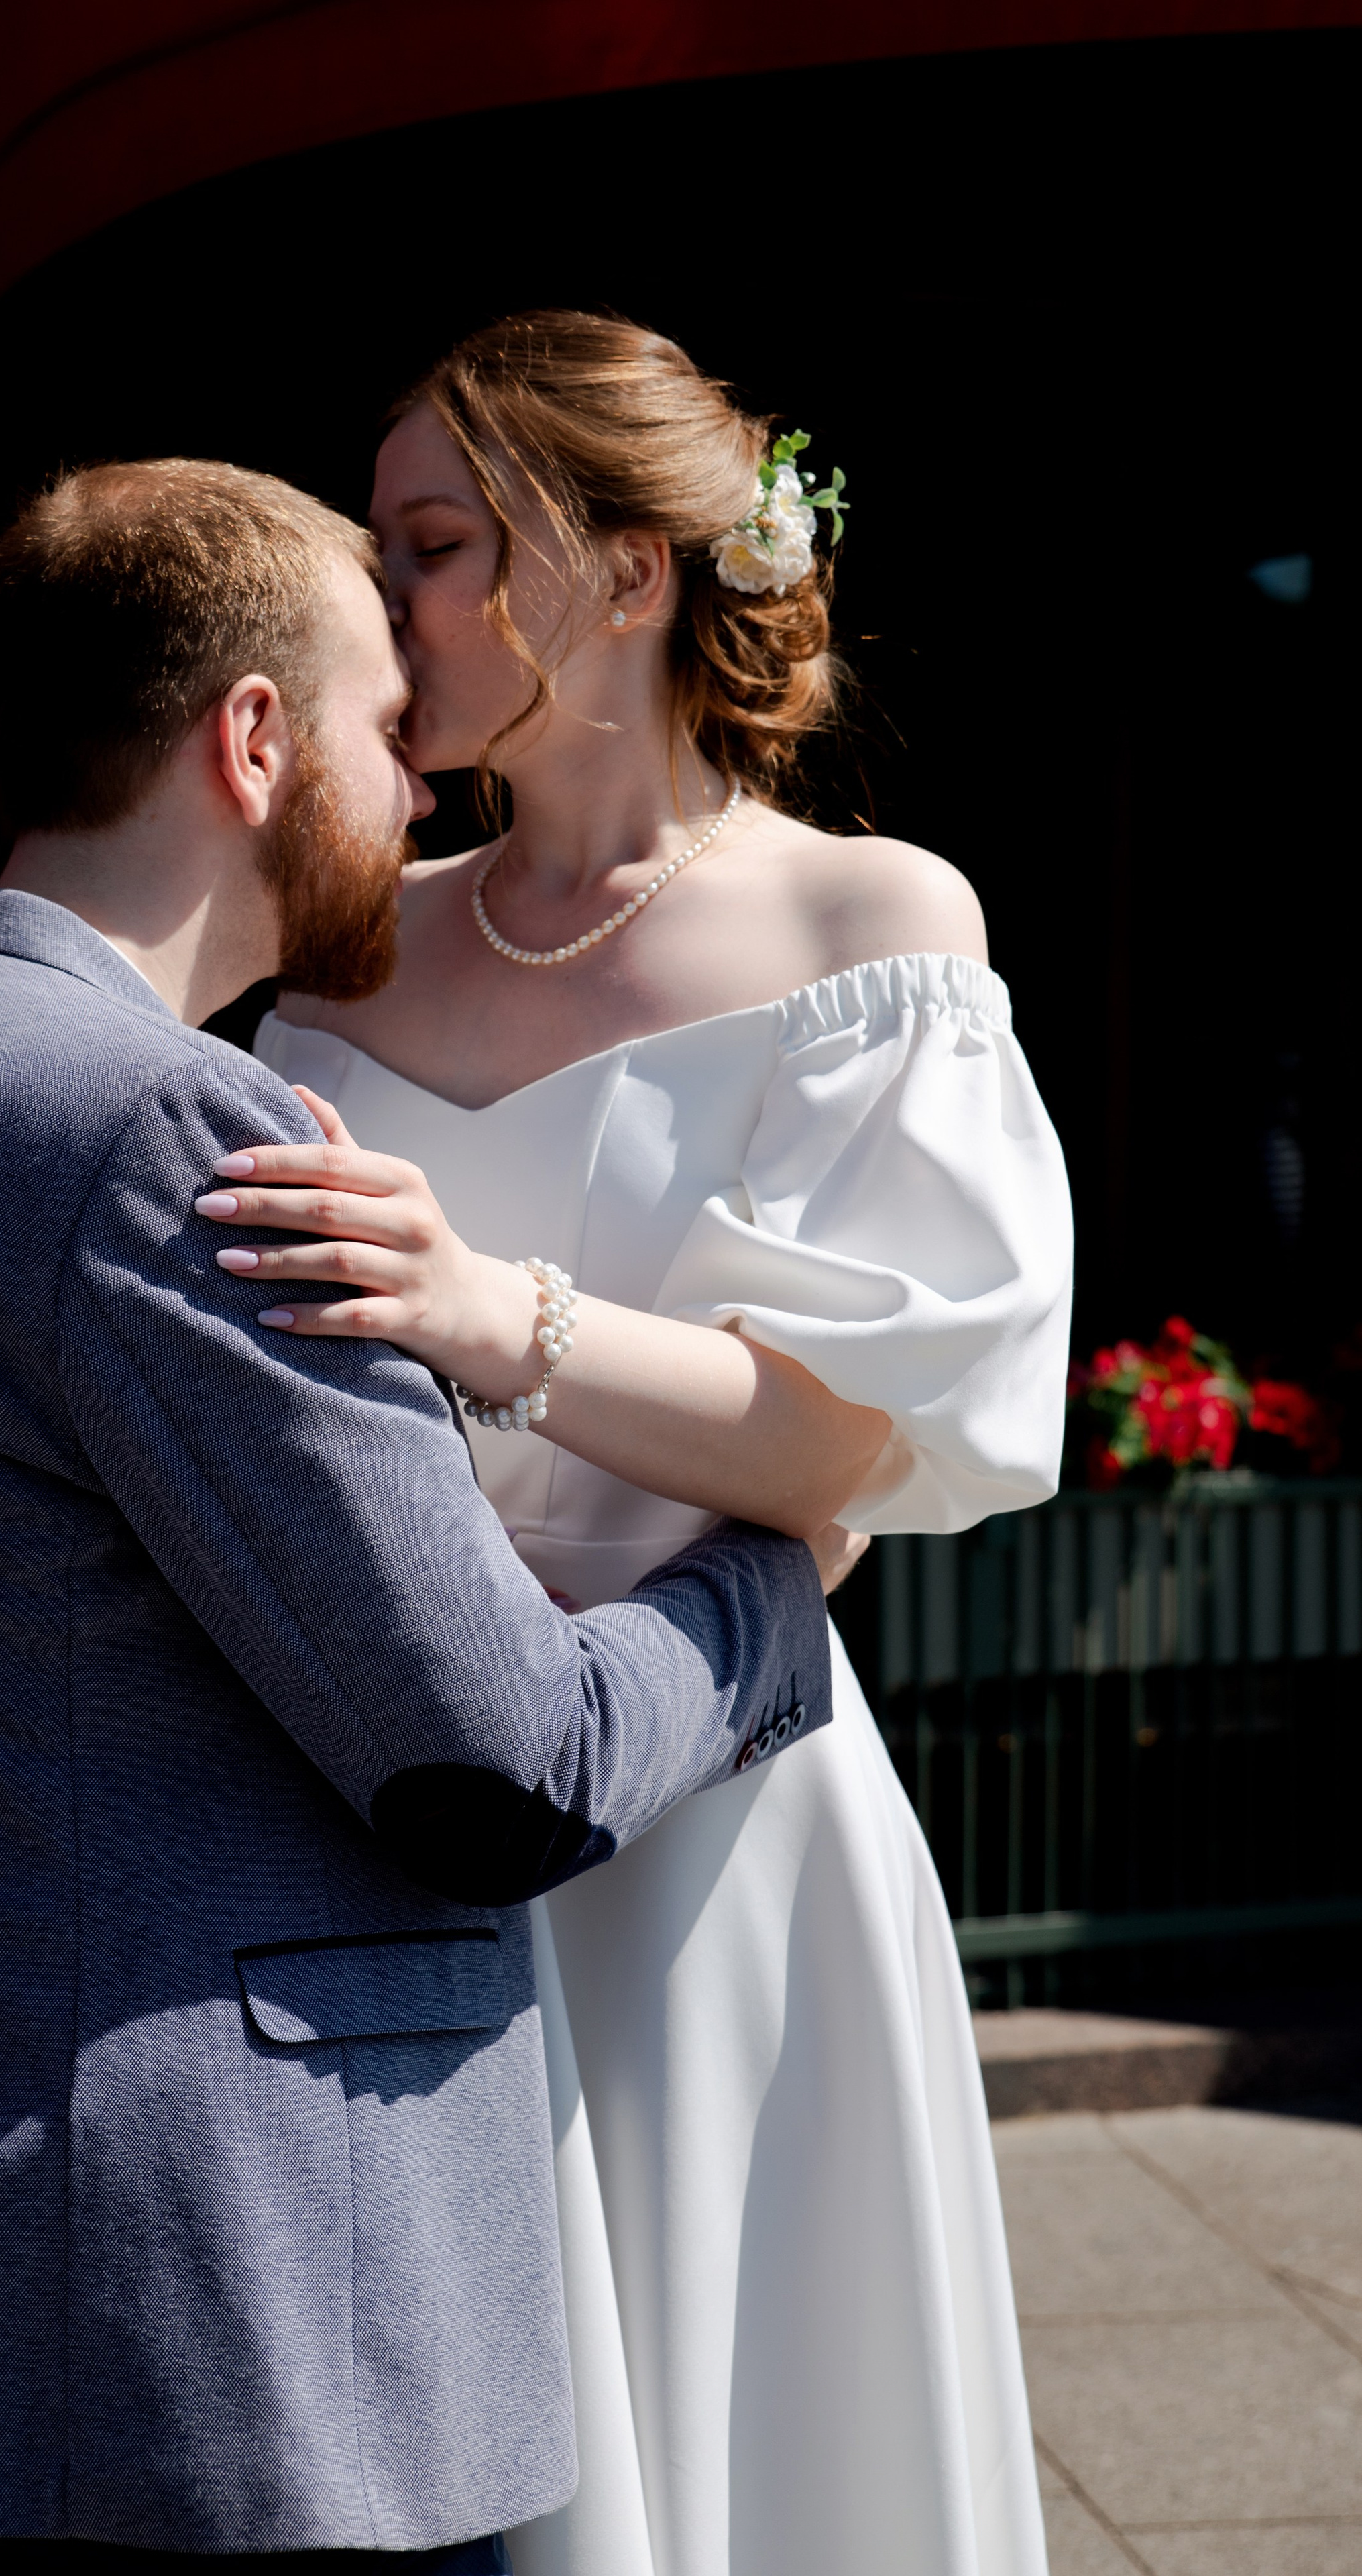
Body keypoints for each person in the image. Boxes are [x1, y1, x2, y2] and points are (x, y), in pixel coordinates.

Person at [0, 458, 851, 2571]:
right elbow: (506, 1765)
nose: (422, 796)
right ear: (248, 741)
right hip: (221, 2359)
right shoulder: (152, 1124)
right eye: (390, 734)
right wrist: (780, 1585)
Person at [214, 314, 1074, 2576]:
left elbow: (872, 1447)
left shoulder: (868, 926)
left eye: (430, 545)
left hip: (718, 1830)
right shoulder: (338, 950)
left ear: (620, 566)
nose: (379, 609)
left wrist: (490, 1313)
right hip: (379, 1824)